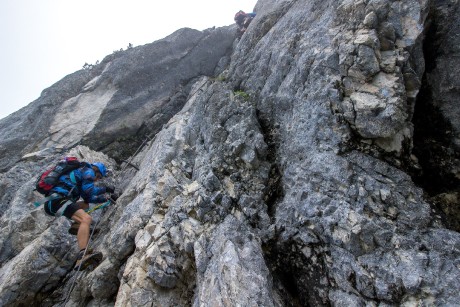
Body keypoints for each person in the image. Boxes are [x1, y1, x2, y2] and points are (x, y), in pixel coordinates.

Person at [43, 161, 117, 269]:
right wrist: (105, 189)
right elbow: (89, 191)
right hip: (58, 199)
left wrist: (106, 198)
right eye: (99, 176)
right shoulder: (89, 171)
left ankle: (77, 225)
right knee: (86, 218)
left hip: (54, 202)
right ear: (96, 170)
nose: (97, 179)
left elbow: (89, 198)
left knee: (85, 204)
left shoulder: (81, 173)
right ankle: (82, 255)